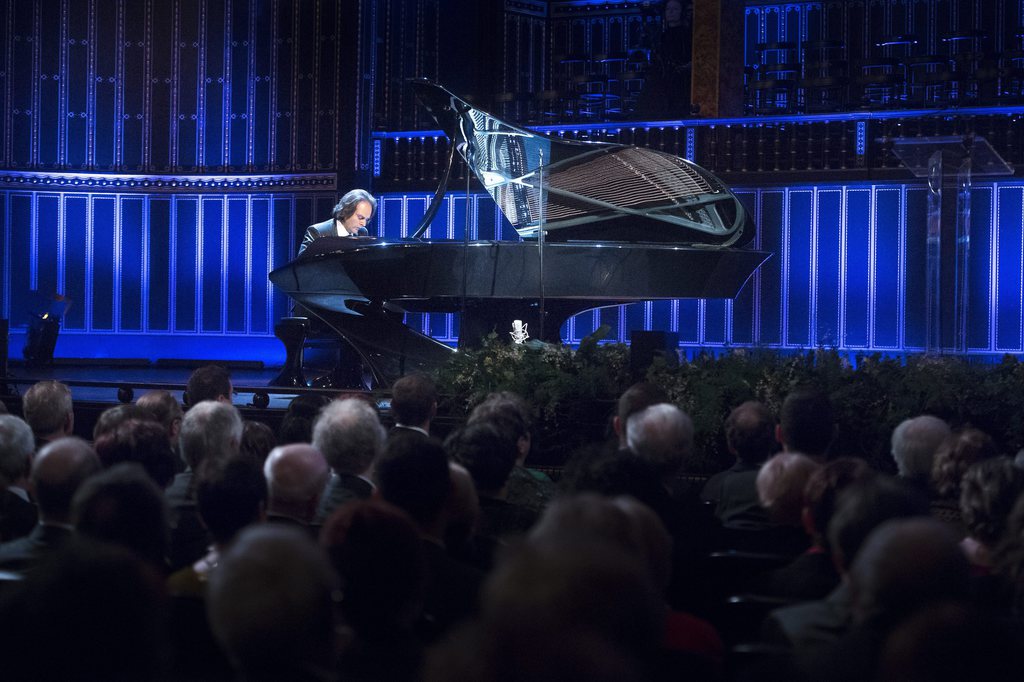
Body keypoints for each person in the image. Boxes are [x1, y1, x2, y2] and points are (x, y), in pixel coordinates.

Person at [636, 0, 694, 119]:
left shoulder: (687, 35)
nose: (671, 12)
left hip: (680, 77)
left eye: (675, 9)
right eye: (668, 9)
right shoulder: (661, 35)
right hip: (664, 74)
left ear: (681, 12)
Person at [298, 189, 377, 256]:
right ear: (346, 211)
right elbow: (300, 267)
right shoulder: (318, 232)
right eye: (360, 218)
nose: (364, 224)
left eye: (366, 219)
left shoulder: (362, 232)